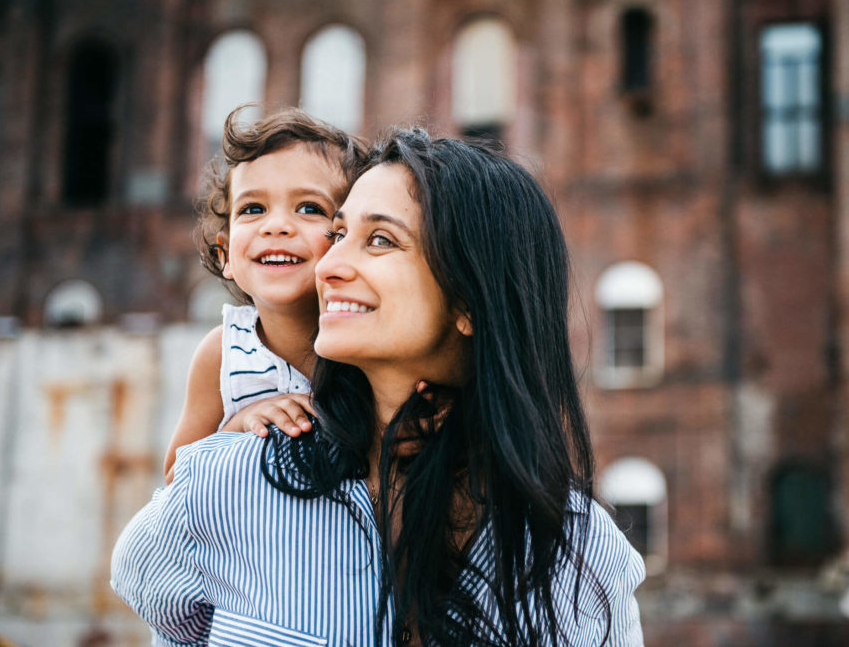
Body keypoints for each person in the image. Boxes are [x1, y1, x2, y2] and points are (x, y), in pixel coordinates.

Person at [112, 129, 645, 646]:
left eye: (381, 239)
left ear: (468, 299)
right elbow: (160, 603)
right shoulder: (230, 483)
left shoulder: (579, 555)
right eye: (340, 234)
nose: (330, 265)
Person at [162, 106, 365, 483]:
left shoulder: (367, 339)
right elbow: (176, 479)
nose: (276, 226)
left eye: (309, 208)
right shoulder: (223, 352)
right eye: (253, 208)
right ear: (225, 255)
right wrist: (237, 427)